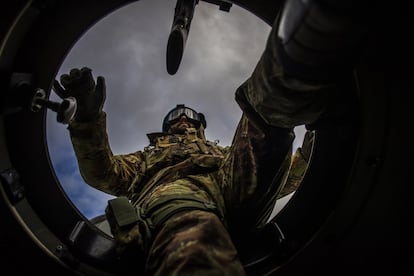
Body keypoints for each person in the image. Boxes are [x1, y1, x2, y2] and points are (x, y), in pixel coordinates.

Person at [53, 2, 353, 273]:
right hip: (174, 196)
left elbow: (275, 179)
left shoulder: (221, 153)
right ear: (167, 126)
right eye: (174, 116)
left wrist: (302, 160)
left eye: (188, 114)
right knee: (186, 215)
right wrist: (87, 121)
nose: (182, 118)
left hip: (230, 186)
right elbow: (102, 174)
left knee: (262, 113)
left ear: (200, 123)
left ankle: (312, 39)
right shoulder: (147, 157)